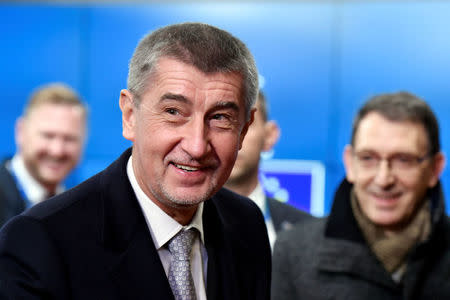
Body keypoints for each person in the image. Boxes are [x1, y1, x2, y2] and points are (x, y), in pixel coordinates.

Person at [0, 23, 271, 299]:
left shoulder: (246, 224)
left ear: (244, 130)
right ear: (130, 115)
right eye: (174, 112)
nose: (197, 146)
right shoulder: (41, 241)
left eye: (220, 118)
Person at [272, 92, 450, 299]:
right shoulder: (294, 252)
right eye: (368, 158)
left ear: (435, 169)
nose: (384, 179)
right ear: (350, 163)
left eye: (403, 160)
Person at [224, 90, 311, 249]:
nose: (234, 138)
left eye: (246, 124)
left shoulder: (308, 232)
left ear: (270, 135)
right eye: (222, 121)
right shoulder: (180, 226)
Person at [0, 83, 87, 227]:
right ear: (20, 132)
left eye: (69, 138)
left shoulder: (83, 212)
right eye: (48, 136)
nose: (57, 150)